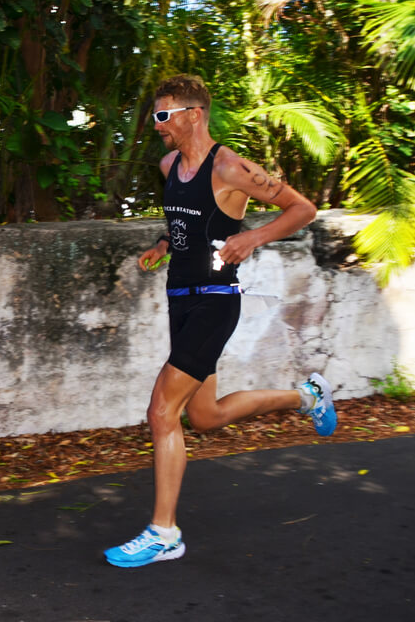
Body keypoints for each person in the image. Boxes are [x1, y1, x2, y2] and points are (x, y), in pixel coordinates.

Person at [104, 74, 337, 568]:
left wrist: (253, 238)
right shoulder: (169, 165)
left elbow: (303, 208)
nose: (157, 125)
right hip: (180, 299)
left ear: (193, 114)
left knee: (162, 412)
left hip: (215, 300)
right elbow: (183, 221)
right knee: (204, 418)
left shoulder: (231, 167)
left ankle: (164, 533)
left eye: (164, 115)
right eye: (155, 116)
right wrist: (164, 246)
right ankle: (307, 396)